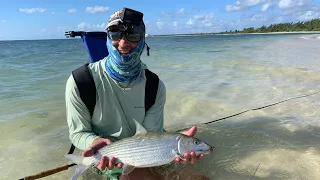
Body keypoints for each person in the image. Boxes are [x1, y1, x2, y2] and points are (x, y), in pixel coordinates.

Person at [65, 7, 205, 180]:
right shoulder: (81, 82)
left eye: (132, 36)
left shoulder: (154, 85)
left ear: (142, 41)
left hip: (143, 152)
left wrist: (176, 144)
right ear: (108, 38)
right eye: (116, 34)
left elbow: (151, 133)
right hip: (106, 157)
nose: (123, 43)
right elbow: (78, 133)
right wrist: (94, 143)